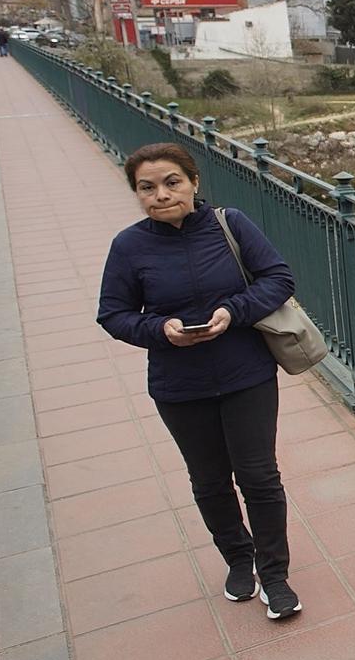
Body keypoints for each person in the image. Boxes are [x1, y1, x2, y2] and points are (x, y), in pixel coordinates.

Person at [96, 142, 303, 620]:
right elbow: (113, 314)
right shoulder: (129, 246)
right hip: (179, 385)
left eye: (172, 182)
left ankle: (275, 575)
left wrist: (234, 311)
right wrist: (161, 331)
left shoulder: (231, 224)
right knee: (209, 481)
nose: (161, 195)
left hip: (245, 372)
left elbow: (278, 277)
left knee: (259, 477)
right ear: (137, 194)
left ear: (194, 183)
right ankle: (239, 558)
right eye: (147, 188)